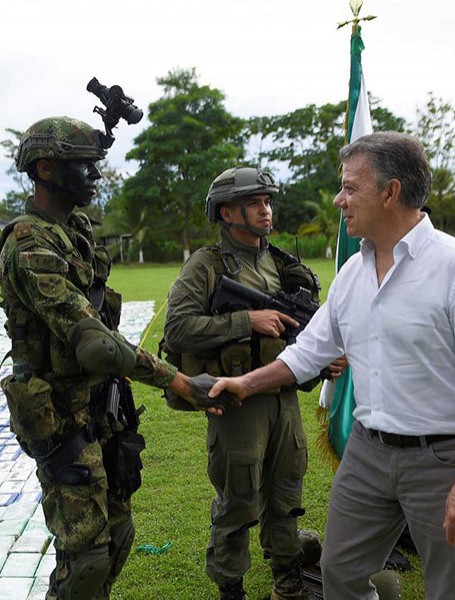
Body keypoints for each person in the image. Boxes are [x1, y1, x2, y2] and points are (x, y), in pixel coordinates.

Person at [209, 132, 455, 600]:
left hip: (444, 458)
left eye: (351, 188)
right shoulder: (353, 271)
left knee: (452, 588)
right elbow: (308, 351)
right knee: (342, 574)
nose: (339, 199)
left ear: (391, 192)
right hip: (368, 453)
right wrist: (244, 384)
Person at [0, 116, 220, 600]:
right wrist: (178, 381)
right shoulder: (29, 243)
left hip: (102, 407)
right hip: (61, 418)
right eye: (84, 167)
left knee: (118, 536)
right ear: (46, 169)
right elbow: (94, 342)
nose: (95, 177)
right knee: (86, 557)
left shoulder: (73, 228)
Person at [163, 167, 329, 600]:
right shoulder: (207, 265)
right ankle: (231, 588)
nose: (265, 210)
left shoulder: (282, 265)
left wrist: (319, 364)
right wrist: (245, 320)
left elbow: (298, 340)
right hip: (237, 404)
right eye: (254, 202)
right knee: (238, 502)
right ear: (226, 212)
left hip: (283, 401)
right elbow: (177, 329)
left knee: (286, 496)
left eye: (267, 201)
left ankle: (287, 583)